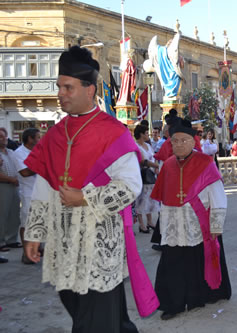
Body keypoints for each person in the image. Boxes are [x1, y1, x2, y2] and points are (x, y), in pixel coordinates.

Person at [23, 46, 158, 332]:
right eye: (59, 86)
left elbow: (131, 186)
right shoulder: (55, 134)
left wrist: (83, 197)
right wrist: (35, 234)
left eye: (68, 87)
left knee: (94, 321)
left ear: (89, 89)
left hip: (100, 244)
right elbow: (44, 188)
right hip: (62, 242)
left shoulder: (113, 132)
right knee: (88, 310)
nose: (61, 93)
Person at [151, 118, 231, 320]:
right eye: (174, 141)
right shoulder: (167, 165)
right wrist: (164, 225)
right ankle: (173, 303)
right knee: (173, 263)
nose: (178, 144)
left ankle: (197, 298)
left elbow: (218, 195)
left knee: (197, 262)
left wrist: (216, 224)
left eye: (183, 140)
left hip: (198, 223)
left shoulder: (205, 162)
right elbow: (163, 197)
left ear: (193, 141)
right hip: (174, 224)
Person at [13, 128, 40, 264]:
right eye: (37, 137)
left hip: (40, 191)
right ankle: (25, 252)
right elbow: (24, 172)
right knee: (26, 224)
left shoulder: (38, 150)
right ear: (30, 139)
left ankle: (36, 248)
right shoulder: (19, 153)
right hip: (28, 193)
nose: (39, 140)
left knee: (40, 222)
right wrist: (42, 165)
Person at [134, 124, 160, 234]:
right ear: (141, 134)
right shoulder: (136, 147)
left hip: (151, 174)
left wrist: (155, 166)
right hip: (142, 174)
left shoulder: (148, 146)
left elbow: (154, 157)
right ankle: (141, 224)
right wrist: (156, 166)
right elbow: (142, 161)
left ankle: (149, 221)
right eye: (145, 133)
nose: (147, 134)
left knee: (149, 198)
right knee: (141, 199)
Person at [0, 127, 21, 255]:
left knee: (14, 213)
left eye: (4, 136)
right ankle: (1, 242)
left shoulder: (11, 152)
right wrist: (10, 179)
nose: (4, 139)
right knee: (2, 215)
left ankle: (11, 239)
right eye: (0, 137)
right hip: (3, 185)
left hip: (15, 185)